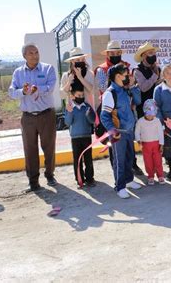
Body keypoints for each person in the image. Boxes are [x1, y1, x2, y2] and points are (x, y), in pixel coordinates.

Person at [9, 43, 57, 192]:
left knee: (49, 147)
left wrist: (37, 89)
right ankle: (33, 181)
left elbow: (50, 87)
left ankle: (49, 174)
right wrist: (23, 92)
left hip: (46, 115)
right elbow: (11, 92)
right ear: (24, 56)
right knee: (30, 149)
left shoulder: (48, 69)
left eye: (36, 52)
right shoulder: (18, 73)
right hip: (28, 117)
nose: (35, 55)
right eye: (31, 53)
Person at [100, 63, 142, 199]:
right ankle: (120, 186)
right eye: (125, 75)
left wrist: (134, 89)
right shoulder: (110, 93)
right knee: (120, 160)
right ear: (117, 76)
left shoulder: (125, 90)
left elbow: (138, 101)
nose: (128, 77)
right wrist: (112, 130)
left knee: (130, 158)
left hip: (129, 130)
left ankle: (129, 180)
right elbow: (104, 116)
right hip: (118, 132)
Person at [64, 83, 96, 188]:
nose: (81, 98)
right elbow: (68, 123)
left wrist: (89, 115)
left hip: (86, 136)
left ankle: (90, 179)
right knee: (77, 160)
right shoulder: (70, 108)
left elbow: (92, 121)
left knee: (88, 159)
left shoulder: (87, 106)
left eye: (82, 96)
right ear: (73, 96)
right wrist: (69, 112)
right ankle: (79, 179)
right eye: (78, 96)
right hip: (75, 138)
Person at [135, 99, 165, 185]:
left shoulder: (157, 121)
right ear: (145, 112)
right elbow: (137, 132)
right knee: (148, 161)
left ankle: (160, 176)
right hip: (145, 145)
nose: (150, 117)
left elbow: (160, 133)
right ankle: (150, 176)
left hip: (156, 144)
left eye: (152, 115)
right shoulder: (140, 121)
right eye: (149, 115)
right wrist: (138, 141)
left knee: (158, 160)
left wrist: (161, 144)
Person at [133, 42, 161, 118]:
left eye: (154, 53)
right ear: (143, 56)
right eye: (150, 53)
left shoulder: (157, 68)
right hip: (143, 108)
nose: (154, 55)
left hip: (157, 106)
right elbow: (143, 88)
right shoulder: (137, 70)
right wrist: (155, 76)